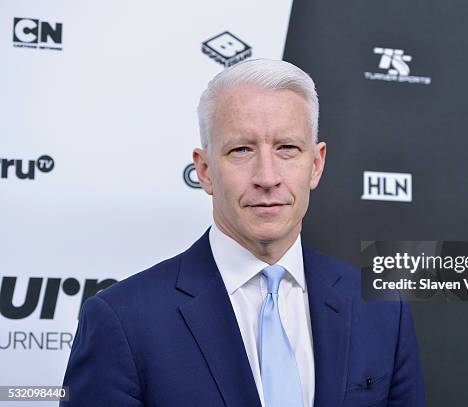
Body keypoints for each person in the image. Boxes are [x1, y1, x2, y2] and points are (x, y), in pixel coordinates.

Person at [61, 59, 425, 407]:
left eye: (287, 148)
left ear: (315, 165)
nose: (267, 177)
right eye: (241, 150)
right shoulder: (122, 321)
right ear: (204, 170)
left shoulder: (381, 309)